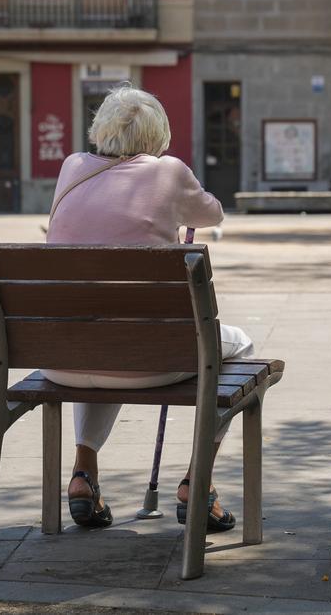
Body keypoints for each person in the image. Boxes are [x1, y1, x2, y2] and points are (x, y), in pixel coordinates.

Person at [43, 86, 253, 532]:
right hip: (152, 360)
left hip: (61, 358)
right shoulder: (168, 171)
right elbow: (213, 214)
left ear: (101, 128)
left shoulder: (71, 168)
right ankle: (199, 483)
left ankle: (83, 473)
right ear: (158, 133)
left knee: (100, 333)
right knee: (240, 347)